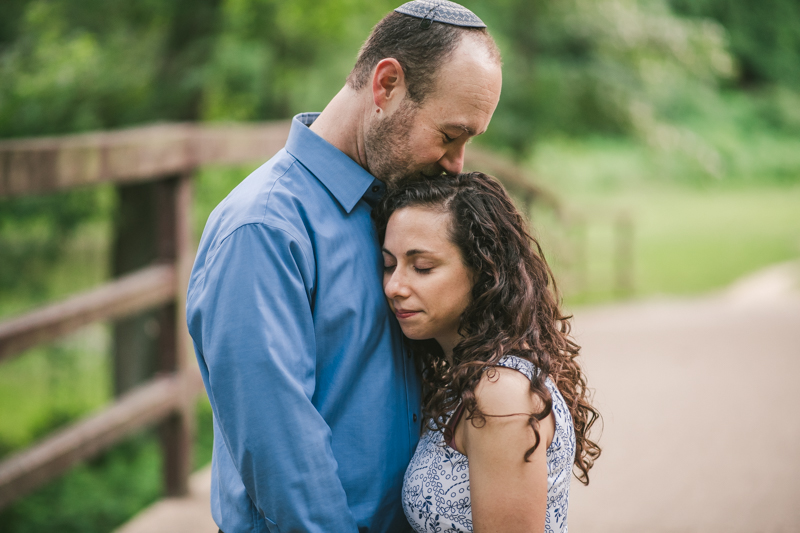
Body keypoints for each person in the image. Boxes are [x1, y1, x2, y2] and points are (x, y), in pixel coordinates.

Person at [185, 1, 502, 532]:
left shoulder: (398, 210)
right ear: (386, 86)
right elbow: (284, 463)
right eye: (449, 135)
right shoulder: (264, 228)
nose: (456, 163)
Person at [373, 172, 601, 532]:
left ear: (484, 272)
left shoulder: (500, 393)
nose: (394, 286)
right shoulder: (470, 376)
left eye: (422, 267)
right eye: (389, 265)